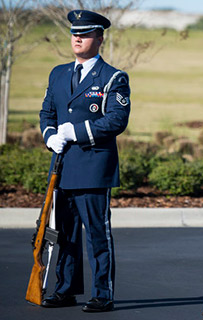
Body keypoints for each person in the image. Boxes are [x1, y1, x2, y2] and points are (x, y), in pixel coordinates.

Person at [38, 10, 130, 313]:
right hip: (62, 165)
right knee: (62, 232)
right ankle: (65, 288)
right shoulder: (58, 73)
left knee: (96, 235)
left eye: (86, 33)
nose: (78, 38)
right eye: (75, 33)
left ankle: (103, 293)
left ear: (100, 38)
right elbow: (47, 112)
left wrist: (76, 132)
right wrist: (50, 135)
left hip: (92, 166)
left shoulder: (113, 77)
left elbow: (117, 120)